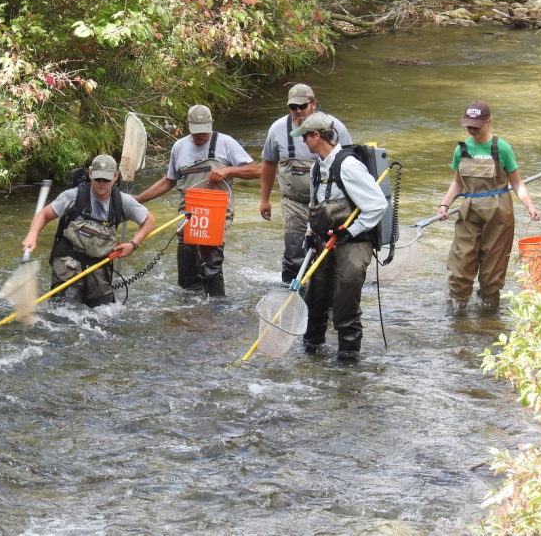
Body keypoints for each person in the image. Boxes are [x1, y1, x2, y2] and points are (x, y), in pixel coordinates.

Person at [134, 105, 261, 297]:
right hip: (188, 213)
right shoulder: (179, 147)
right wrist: (138, 200)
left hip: (216, 214)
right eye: (196, 132)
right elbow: (170, 180)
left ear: (212, 123)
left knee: (210, 266)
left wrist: (228, 170)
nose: (200, 136)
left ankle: (218, 309)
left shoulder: (226, 143)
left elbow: (256, 171)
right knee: (187, 273)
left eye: (204, 131)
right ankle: (190, 313)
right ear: (187, 125)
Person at [295, 112, 387, 356]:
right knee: (315, 299)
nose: (303, 141)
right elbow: (315, 204)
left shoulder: (349, 165)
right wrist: (309, 233)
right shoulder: (317, 168)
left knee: (345, 305)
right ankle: (311, 351)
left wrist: (350, 231)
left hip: (354, 242)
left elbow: (377, 204)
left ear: (317, 136)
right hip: (326, 240)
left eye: (306, 137)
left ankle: (348, 360)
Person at [436, 100, 540, 310]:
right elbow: (457, 182)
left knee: (493, 267)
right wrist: (445, 205)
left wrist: (530, 206)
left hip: (498, 212)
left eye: (476, 126)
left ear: (488, 121)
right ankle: (459, 310)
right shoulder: (462, 149)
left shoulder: (501, 147)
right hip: (470, 210)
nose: (472, 130)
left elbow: (517, 182)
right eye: (468, 126)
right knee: (461, 261)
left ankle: (489, 310)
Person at [22, 154, 156, 307]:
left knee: (103, 316)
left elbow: (149, 220)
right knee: (64, 314)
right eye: (98, 178)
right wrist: (32, 235)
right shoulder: (73, 196)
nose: (101, 183)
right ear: (90, 174)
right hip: (69, 263)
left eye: (106, 179)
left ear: (115, 176)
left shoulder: (123, 201)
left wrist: (133, 244)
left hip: (99, 266)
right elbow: (43, 215)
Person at [259, 83, 352, 284]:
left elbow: (350, 164)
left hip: (329, 206)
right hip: (294, 203)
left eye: (303, 105)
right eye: (293, 107)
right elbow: (268, 163)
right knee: (294, 255)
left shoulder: (335, 127)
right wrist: (264, 199)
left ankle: (320, 302)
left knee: (327, 258)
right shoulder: (278, 129)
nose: (298, 111)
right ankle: (289, 297)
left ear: (314, 104)